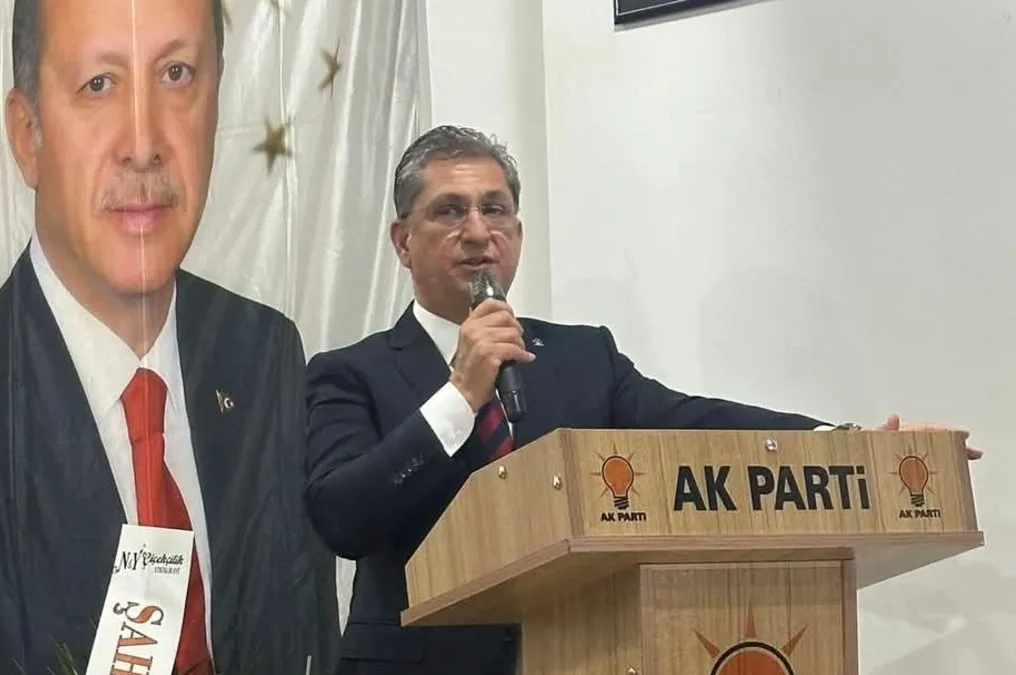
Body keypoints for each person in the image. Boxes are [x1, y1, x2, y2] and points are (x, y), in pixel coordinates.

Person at [302, 125, 983, 675]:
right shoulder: (349, 373)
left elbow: (694, 424)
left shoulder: (581, 356)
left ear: (518, 231)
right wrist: (460, 395)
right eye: (450, 211)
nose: (478, 231)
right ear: (403, 241)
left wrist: (850, 442)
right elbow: (342, 516)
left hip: (582, 656)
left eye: (495, 208)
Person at [0, 0, 339, 673]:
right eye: (98, 84)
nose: (143, 142)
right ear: (27, 134)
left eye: (176, 74)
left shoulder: (266, 357)